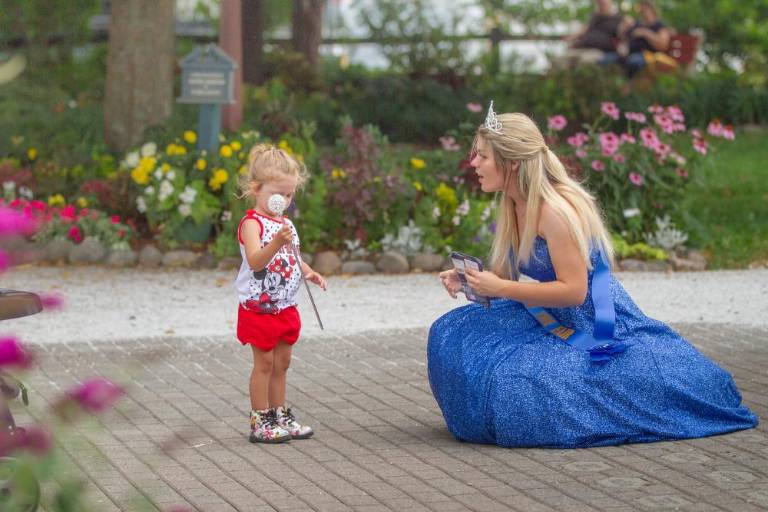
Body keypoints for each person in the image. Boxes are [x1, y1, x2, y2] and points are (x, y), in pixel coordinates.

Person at [427, 103, 758, 448]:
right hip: (547, 312)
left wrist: (503, 288)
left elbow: (574, 291)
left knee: (516, 382)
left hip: (595, 319)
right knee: (450, 334)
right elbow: (509, 276)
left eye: (482, 156)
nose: (474, 164)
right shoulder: (514, 203)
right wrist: (470, 279)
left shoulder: (554, 212)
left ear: (511, 162)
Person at [235, 143, 327, 444]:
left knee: (282, 363)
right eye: (278, 194)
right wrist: (276, 241)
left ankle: (279, 413)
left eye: (289, 195)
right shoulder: (252, 223)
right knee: (263, 363)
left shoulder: (285, 223)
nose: (284, 201)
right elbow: (256, 260)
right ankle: (259, 419)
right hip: (260, 307)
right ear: (256, 188)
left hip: (285, 305)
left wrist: (309, 271)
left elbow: (292, 256)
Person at [607, 0, 673, 79]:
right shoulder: (636, 24)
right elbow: (624, 39)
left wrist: (645, 33)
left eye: (645, 8)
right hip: (628, 54)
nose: (643, 11)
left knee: (633, 62)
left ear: (652, 9)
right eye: (642, 8)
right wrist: (622, 31)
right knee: (608, 59)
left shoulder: (659, 25)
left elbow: (663, 44)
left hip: (648, 56)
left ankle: (628, 87)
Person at [560, 0, 625, 66]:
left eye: (603, 3)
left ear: (610, 3)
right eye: (599, 3)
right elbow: (583, 31)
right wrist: (571, 38)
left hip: (599, 51)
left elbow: (623, 36)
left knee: (585, 60)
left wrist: (623, 46)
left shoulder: (619, 20)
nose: (601, 4)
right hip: (581, 47)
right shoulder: (594, 18)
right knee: (562, 59)